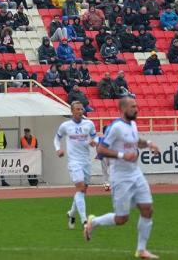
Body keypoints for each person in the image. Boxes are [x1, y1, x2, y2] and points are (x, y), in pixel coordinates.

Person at [84, 98, 160, 260]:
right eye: (133, 107)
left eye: (137, 106)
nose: (137, 109)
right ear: (123, 108)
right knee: (121, 219)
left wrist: (149, 143)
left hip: (136, 173)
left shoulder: (132, 124)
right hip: (121, 177)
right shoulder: (116, 127)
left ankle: (141, 250)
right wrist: (122, 155)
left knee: (147, 209)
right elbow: (101, 148)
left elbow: (135, 142)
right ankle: (94, 221)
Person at [54, 101, 97, 229]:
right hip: (74, 162)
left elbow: (95, 138)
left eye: (81, 109)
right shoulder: (65, 125)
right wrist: (58, 149)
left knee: (82, 190)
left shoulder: (89, 124)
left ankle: (71, 213)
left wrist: (94, 142)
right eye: (77, 109)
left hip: (86, 161)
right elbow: (57, 138)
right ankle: (84, 220)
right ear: (72, 111)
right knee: (80, 187)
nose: (80, 111)